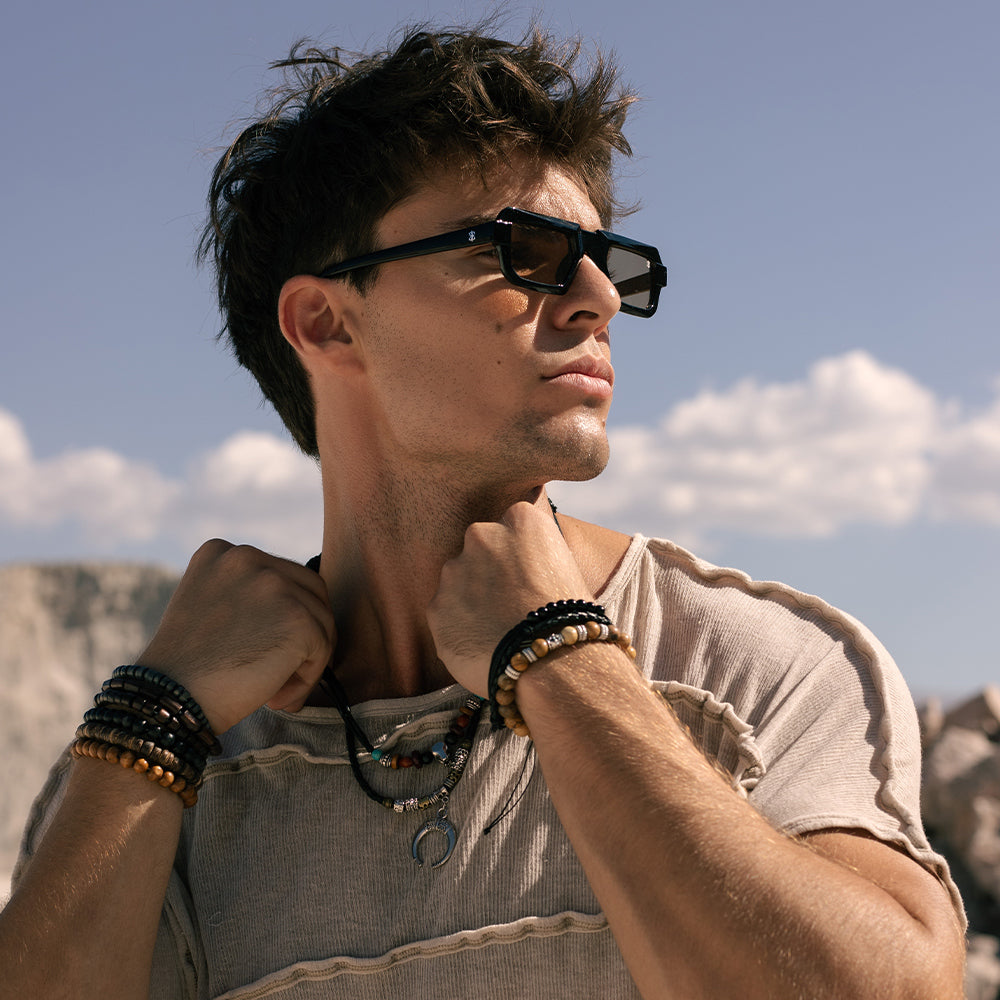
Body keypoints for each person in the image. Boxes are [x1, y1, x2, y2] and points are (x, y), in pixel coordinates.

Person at [0, 23, 966, 1000]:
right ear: (327, 322)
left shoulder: (754, 666)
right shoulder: (171, 757)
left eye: (607, 261)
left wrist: (561, 658)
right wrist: (154, 718)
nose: (599, 299)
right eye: (526, 251)